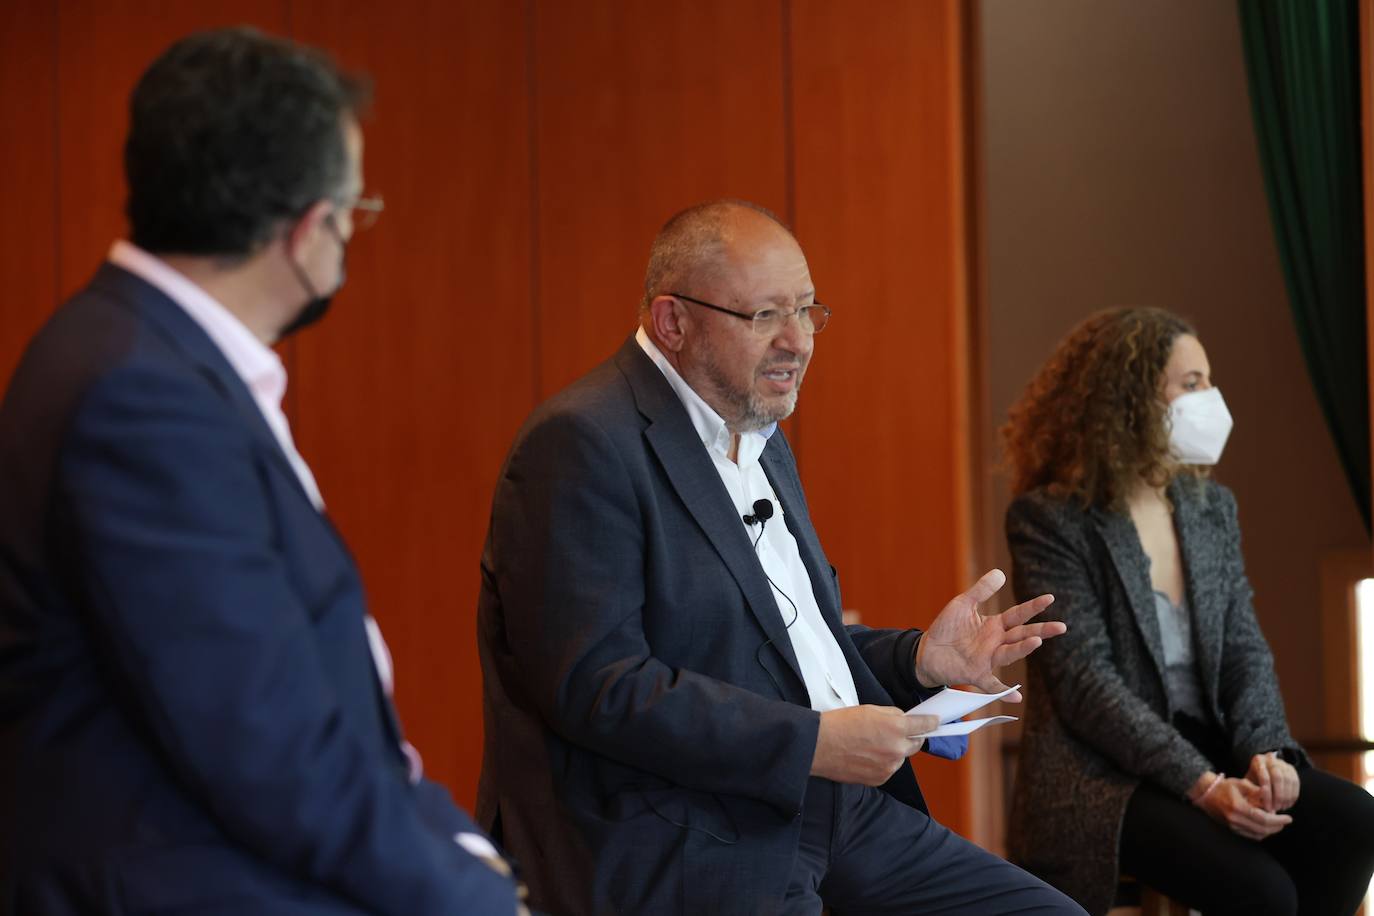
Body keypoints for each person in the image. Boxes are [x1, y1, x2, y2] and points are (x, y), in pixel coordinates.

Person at [0, 28, 521, 915]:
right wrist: (466, 896)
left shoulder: (147, 356)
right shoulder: (141, 398)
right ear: (308, 229)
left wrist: (458, 845)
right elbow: (264, 748)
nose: (353, 236)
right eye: (357, 211)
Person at [476, 199, 1085, 915]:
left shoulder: (756, 432)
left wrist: (918, 662)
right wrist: (810, 744)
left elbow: (772, 648)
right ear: (673, 322)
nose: (798, 341)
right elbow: (598, 687)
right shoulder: (582, 443)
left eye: (807, 310)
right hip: (683, 828)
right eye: (765, 316)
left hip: (825, 807)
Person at [1002, 307, 1374, 916]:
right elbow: (1087, 687)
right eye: (1192, 384)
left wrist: (1266, 754)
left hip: (1213, 742)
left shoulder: (1210, 508)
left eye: (1209, 380)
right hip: (1103, 775)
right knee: (1264, 891)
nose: (1212, 399)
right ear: (1131, 399)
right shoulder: (1049, 520)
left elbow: (1244, 650)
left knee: (1355, 821)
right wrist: (1203, 787)